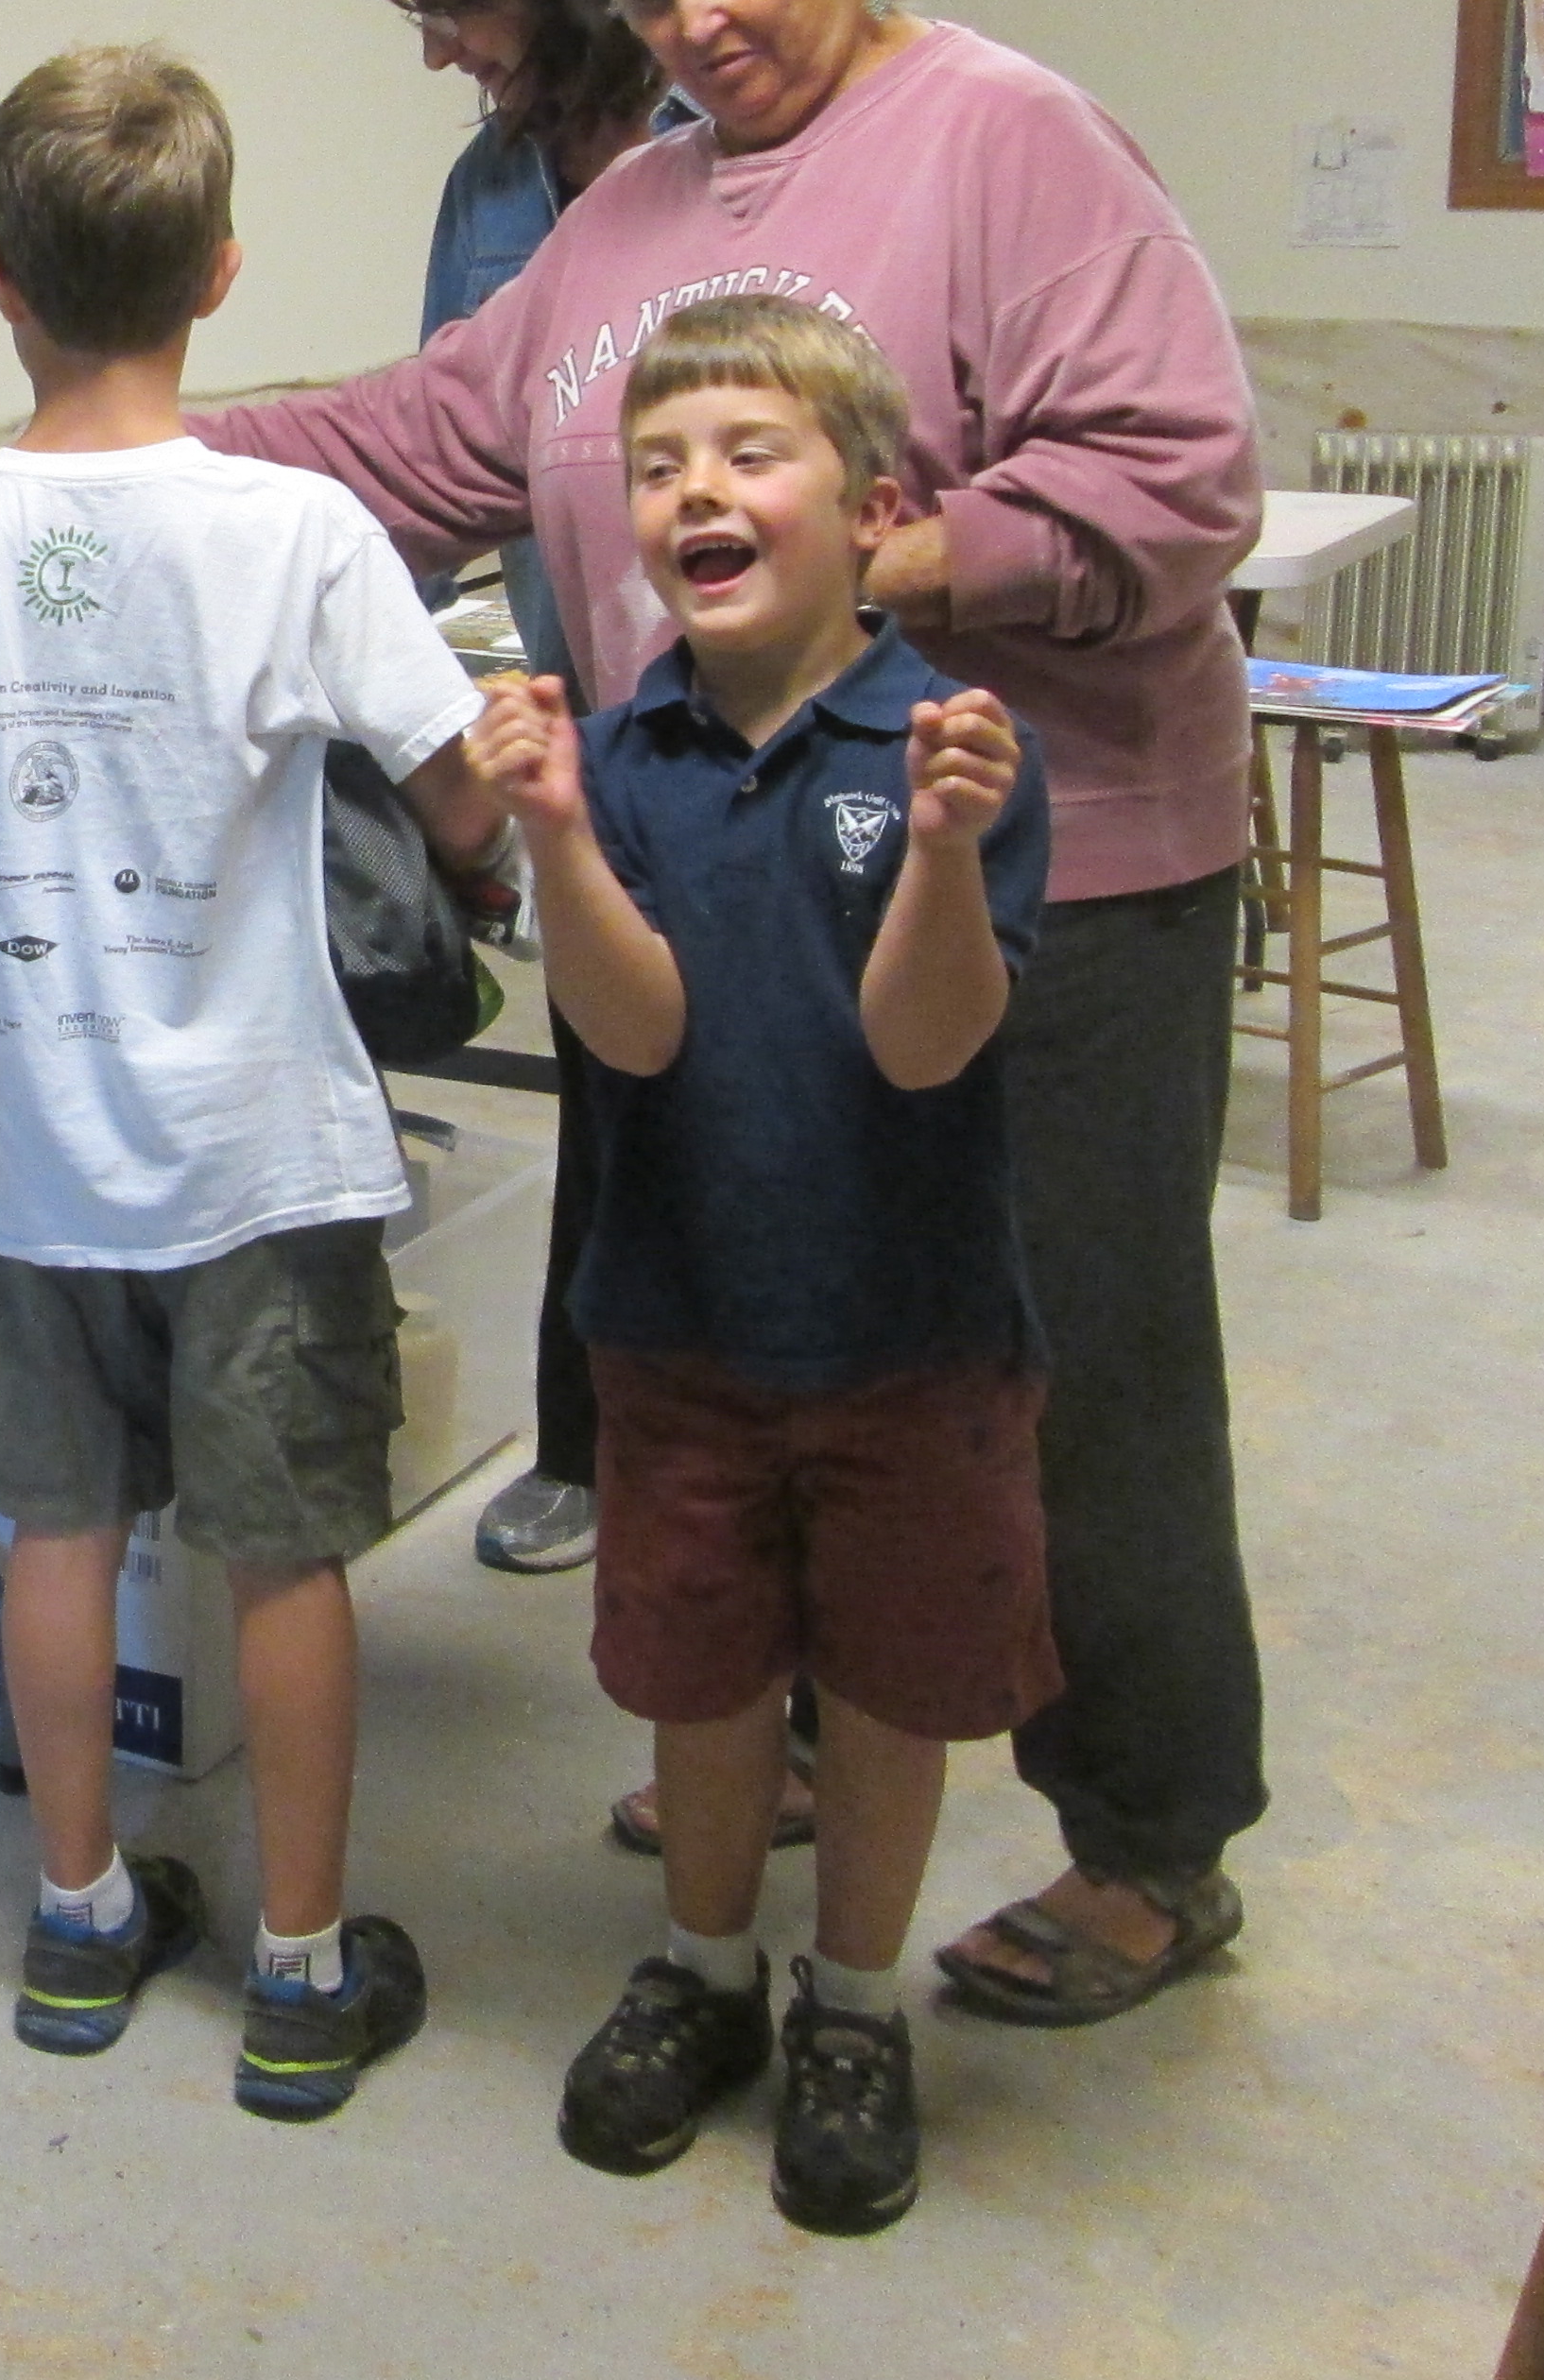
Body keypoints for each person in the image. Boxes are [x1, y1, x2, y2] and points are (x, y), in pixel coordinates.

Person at [205, 0, 1266, 2027]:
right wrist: (136, 443)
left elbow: (1179, 477)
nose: (690, 25)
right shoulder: (631, 213)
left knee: (1056, 1361)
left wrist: (907, 559)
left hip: (1052, 868)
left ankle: (1149, 1841)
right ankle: (798, 1731)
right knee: (770, 1327)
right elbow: (438, 432)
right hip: (731, 877)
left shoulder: (1008, 139)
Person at [0, 43, 502, 2123]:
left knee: (63, 1530)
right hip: (267, 1155)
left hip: (54, 1163)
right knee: (286, 1553)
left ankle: (80, 1916)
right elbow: (461, 804)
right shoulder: (303, 528)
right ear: (225, 272)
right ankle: (301, 1972)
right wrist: (487, 799)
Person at [466, 297, 1054, 2237]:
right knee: (702, 1681)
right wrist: (554, 836)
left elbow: (924, 1046)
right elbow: (633, 1031)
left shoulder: (958, 751)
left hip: (913, 1335)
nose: (693, 492)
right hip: (680, 1328)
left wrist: (947, 851)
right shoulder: (621, 755)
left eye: (746, 454)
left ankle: (856, 2007)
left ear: (876, 508)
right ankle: (706, 1971)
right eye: (657, 467)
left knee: (890, 1690)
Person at [356, 0, 672, 1583]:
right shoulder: (487, 192)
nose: (437, 53)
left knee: (758, 1109)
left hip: (769, 715)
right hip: (578, 706)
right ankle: (582, 1446)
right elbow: (432, 465)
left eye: (454, 6)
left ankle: (728, 1466)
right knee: (602, 1085)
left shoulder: (720, 145)